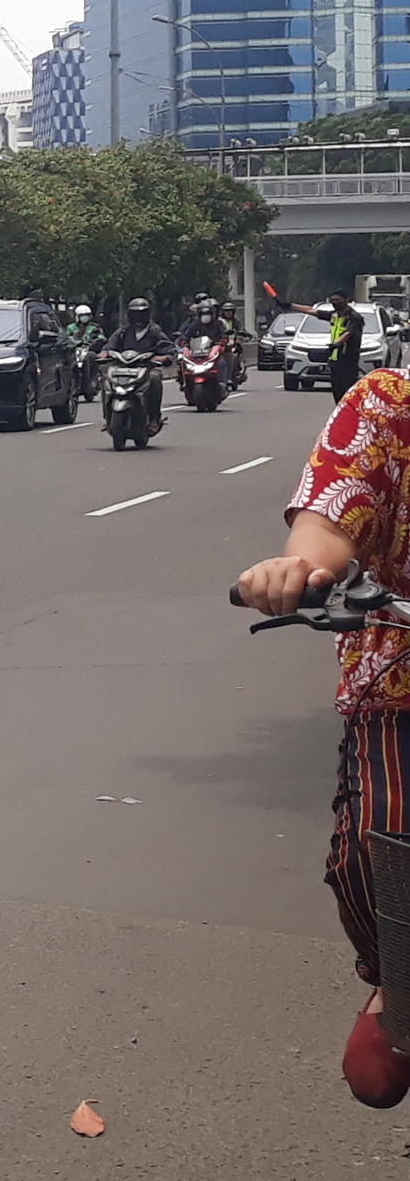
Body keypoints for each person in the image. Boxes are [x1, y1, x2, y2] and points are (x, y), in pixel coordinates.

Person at [235, 365, 410, 1106]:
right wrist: (300, 566)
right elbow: (331, 515)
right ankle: (396, 977)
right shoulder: (388, 406)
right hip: (403, 681)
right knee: (377, 842)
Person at [107, 296, 172, 431]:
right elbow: (110, 345)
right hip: (123, 369)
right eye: (135, 314)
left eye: (141, 314)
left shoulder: (155, 332)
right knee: (105, 381)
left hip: (146, 369)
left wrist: (164, 357)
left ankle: (154, 418)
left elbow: (167, 348)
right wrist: (104, 352)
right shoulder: (123, 332)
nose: (138, 318)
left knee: (155, 378)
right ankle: (107, 418)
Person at [331, 290, 369, 406]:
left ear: (346, 300)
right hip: (335, 360)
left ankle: (353, 413)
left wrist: (337, 343)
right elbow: (312, 311)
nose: (334, 303)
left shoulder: (355, 317)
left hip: (348, 360)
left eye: (337, 300)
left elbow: (349, 333)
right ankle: (341, 413)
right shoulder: (334, 316)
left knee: (350, 391)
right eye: (332, 300)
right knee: (337, 392)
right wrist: (291, 306)